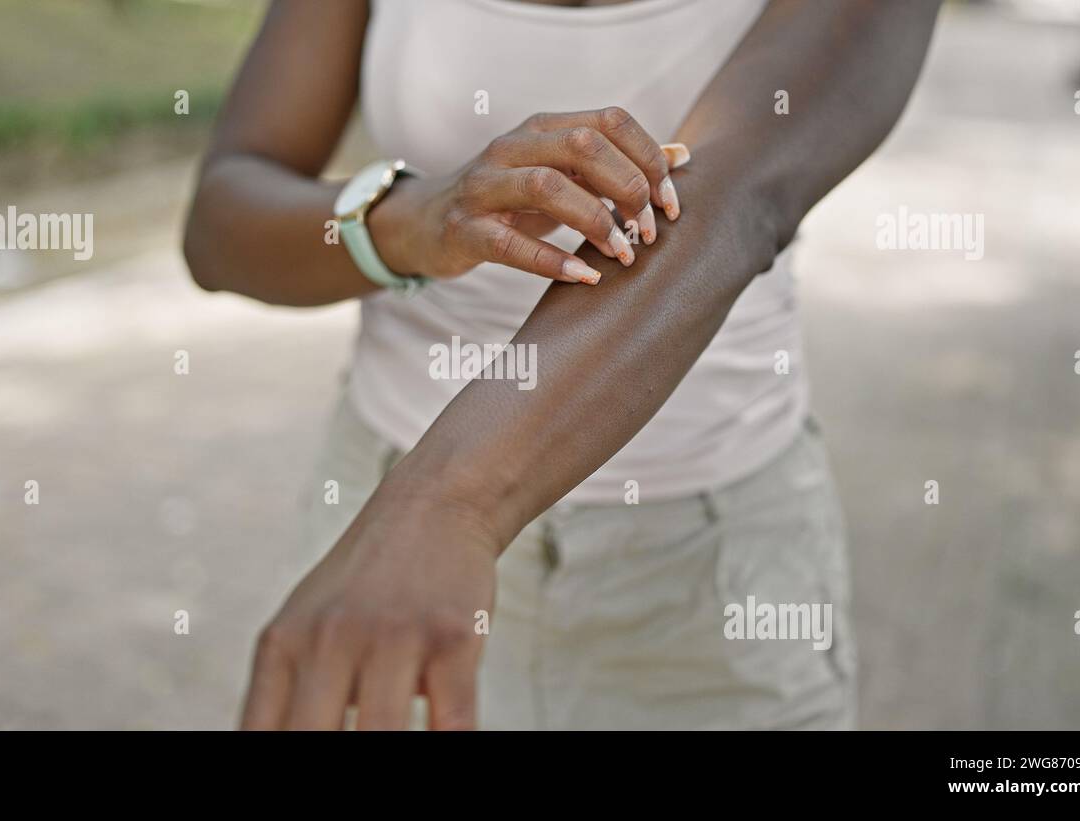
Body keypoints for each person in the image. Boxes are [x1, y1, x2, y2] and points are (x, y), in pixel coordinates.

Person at [183, 0, 941, 730]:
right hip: (388, 522)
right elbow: (220, 220)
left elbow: (731, 197)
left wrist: (445, 505)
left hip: (707, 560)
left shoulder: (431, 510)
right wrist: (413, 221)